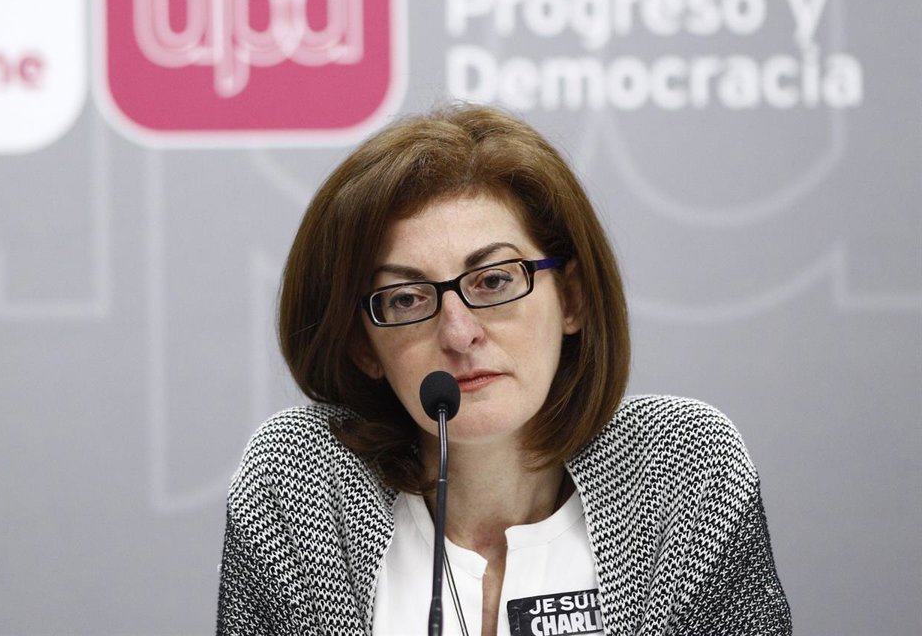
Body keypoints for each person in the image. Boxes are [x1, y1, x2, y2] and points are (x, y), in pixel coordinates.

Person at [216, 104, 791, 636]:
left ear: (571, 299)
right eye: (407, 298)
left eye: (494, 280)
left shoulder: (680, 471)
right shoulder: (303, 487)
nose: (459, 333)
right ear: (363, 345)